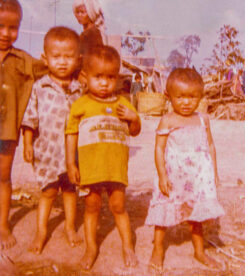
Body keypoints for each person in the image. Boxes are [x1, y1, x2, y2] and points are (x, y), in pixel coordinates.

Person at [65, 45, 141, 270]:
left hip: (115, 169)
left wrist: (133, 117)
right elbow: (71, 135)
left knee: (118, 206)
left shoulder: (122, 104)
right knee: (92, 207)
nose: (105, 82)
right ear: (84, 77)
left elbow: (135, 130)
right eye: (99, 77)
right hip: (91, 168)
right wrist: (71, 163)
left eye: (110, 77)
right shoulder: (81, 105)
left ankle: (127, 246)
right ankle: (91, 247)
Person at [145, 68, 225, 272]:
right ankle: (158, 249)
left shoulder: (202, 119)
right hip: (173, 175)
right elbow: (159, 148)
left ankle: (199, 251)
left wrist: (213, 173)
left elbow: (211, 145)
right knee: (163, 212)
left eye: (192, 97)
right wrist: (162, 175)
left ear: (200, 97)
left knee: (196, 215)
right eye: (180, 97)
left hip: (196, 177)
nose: (186, 102)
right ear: (169, 96)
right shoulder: (168, 120)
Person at [21, 26, 83, 254]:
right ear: (45, 59)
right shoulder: (40, 87)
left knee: (69, 190)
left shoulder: (79, 89)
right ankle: (41, 230)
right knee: (47, 192)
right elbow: (30, 118)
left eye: (68, 57)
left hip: (71, 154)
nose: (63, 62)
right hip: (46, 151)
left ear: (78, 59)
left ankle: (69, 227)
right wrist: (28, 143)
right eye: (57, 57)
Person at [0, 0, 43, 250]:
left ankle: (3, 225)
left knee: (3, 178)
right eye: (1, 26)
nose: (6, 33)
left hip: (6, 131)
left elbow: (52, 69)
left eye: (13, 28)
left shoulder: (23, 60)